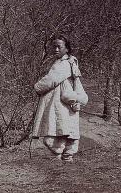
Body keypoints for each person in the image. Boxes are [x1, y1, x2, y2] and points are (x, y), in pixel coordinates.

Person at [32, 34, 88, 162]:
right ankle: (63, 158)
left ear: (66, 48)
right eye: (54, 46)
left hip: (62, 103)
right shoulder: (68, 62)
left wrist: (37, 87)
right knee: (63, 131)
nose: (56, 49)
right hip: (64, 103)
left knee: (58, 131)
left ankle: (62, 157)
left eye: (59, 47)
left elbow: (51, 80)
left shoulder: (64, 64)